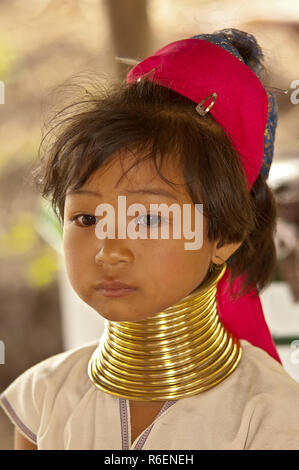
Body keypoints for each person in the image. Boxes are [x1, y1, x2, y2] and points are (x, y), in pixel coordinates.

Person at [1, 28, 299, 450]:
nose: (110, 250)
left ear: (226, 234)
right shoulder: (43, 400)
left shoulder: (271, 417)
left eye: (148, 220)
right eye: (86, 217)